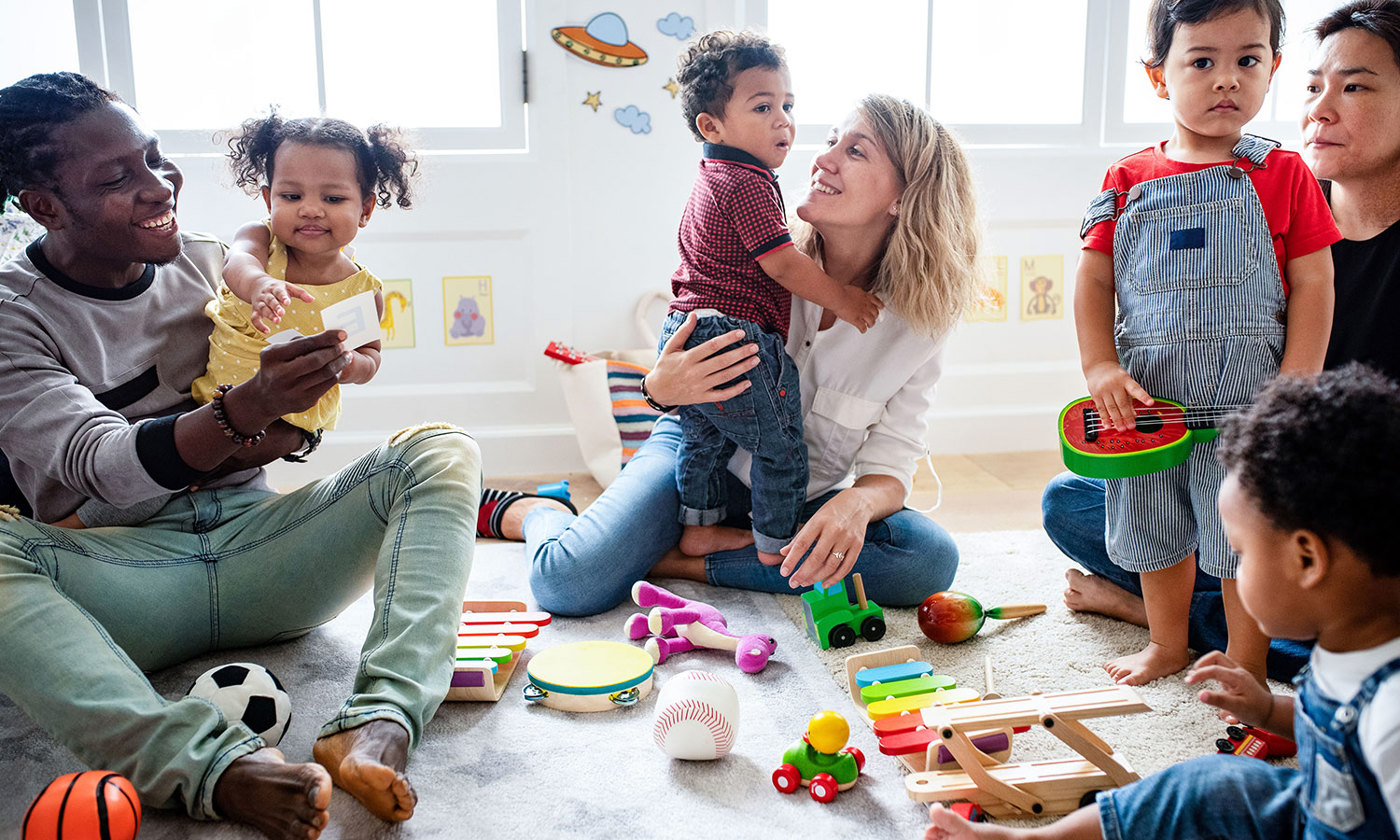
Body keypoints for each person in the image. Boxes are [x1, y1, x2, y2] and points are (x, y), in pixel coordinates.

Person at [0, 72, 480, 839]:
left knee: (439, 452)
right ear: (45, 206)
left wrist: (313, 393)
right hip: (123, 578)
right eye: (120, 177)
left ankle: (380, 720)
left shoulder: (210, 263)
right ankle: (206, 767)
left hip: (262, 551)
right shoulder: (13, 314)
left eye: (156, 158)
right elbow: (103, 466)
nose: (161, 187)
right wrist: (247, 413)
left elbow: (305, 421)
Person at [485, 93, 981, 616]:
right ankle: (535, 511)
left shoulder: (920, 322)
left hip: (798, 497)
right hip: (697, 457)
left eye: (855, 152)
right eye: (832, 140)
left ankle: (677, 563)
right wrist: (658, 389)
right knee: (566, 583)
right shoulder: (760, 251)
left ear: (903, 197)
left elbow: (892, 466)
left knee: (925, 558)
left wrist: (854, 504)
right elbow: (669, 368)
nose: (822, 159)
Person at [1044, 0, 1400, 685]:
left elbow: (1313, 286)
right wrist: (1100, 366)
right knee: (1109, 512)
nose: (1226, 80)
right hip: (1155, 414)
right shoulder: (1127, 180)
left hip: (1256, 422)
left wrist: (1293, 382)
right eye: (1202, 62)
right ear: (1158, 78)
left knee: (1244, 546)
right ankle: (1169, 637)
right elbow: (1093, 279)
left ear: (1268, 67)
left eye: (1248, 61)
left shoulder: (1282, 175)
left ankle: (1245, 653)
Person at [925, 364, 1400, 840]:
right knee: (1209, 785)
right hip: (1318, 807)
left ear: (1306, 559)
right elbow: (1333, 725)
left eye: (1239, 553)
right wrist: (1268, 711)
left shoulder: (1391, 715)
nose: (1228, 566)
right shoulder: (1348, 644)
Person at [64, 113, 414, 530]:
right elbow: (238, 263)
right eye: (291, 196)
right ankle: (73, 528)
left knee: (205, 476)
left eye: (333, 199)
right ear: (269, 201)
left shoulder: (360, 290)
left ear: (366, 209)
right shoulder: (263, 244)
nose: (310, 210)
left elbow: (370, 356)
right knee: (163, 475)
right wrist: (261, 284)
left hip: (290, 418)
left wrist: (349, 365)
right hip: (219, 399)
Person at [659, 30, 881, 565]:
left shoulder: (713, 175)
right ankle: (777, 545)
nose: (783, 119)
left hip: (686, 325)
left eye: (787, 104)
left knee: (704, 440)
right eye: (763, 106)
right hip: (730, 334)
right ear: (711, 126)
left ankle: (700, 528)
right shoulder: (748, 180)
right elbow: (781, 262)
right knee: (781, 446)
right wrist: (846, 301)